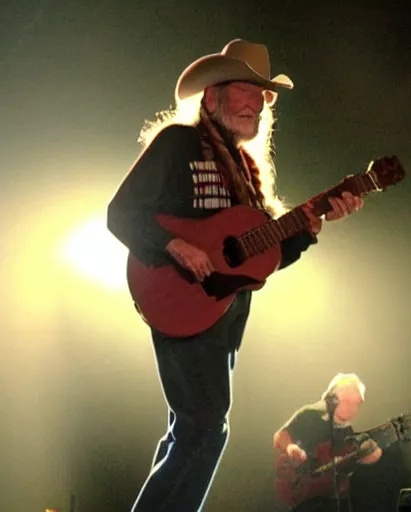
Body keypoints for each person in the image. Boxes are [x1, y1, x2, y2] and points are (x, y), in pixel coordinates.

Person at [107, 39, 363, 512]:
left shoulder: (245, 172)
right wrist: (175, 245)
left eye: (262, 95)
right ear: (212, 96)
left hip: (222, 315)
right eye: (245, 90)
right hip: (176, 295)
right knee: (207, 427)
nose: (256, 104)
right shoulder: (178, 144)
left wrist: (311, 225)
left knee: (191, 429)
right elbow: (121, 213)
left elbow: (259, 259)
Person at [272, 373, 382, 512]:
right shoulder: (310, 414)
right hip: (304, 500)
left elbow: (345, 469)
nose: (353, 408)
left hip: (332, 501)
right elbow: (280, 436)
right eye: (348, 402)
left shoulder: (348, 432)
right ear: (332, 400)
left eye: (357, 403)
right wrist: (291, 447)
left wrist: (367, 458)